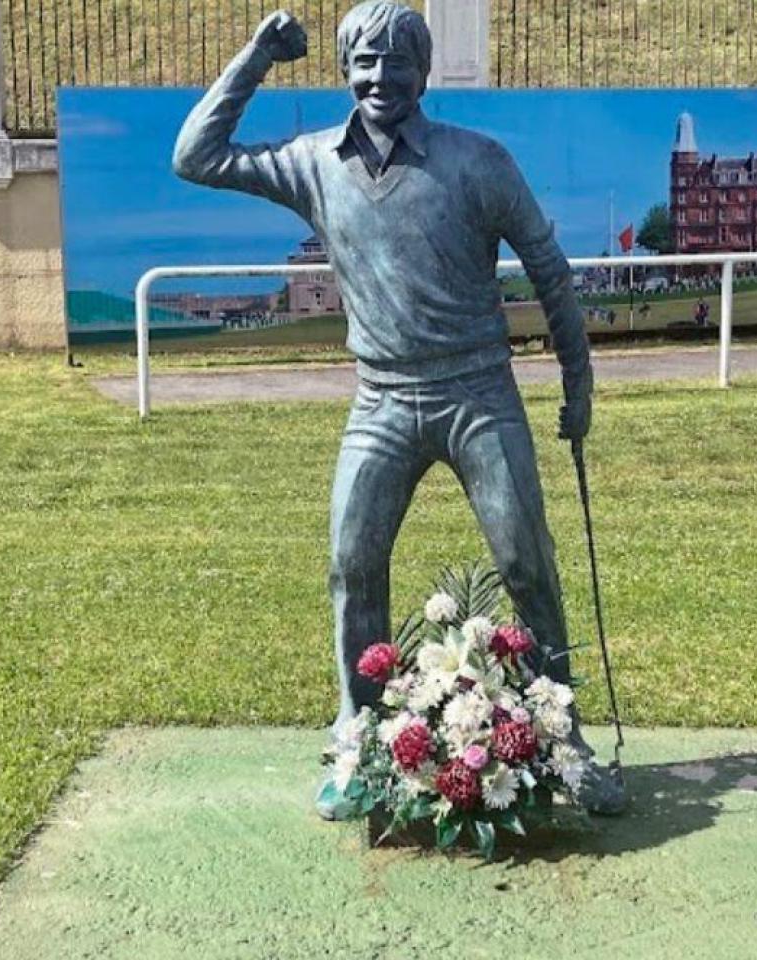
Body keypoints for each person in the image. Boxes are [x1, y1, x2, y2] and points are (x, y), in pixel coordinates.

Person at [173, 2, 627, 816]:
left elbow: (552, 272)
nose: (379, 78)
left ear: (425, 70)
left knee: (527, 561)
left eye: (395, 62)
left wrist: (578, 386)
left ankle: (564, 737)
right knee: (353, 563)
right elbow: (194, 157)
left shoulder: (478, 161)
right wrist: (256, 57)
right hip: (380, 398)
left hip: (478, 393)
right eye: (364, 63)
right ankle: (360, 736)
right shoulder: (312, 161)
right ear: (345, 69)